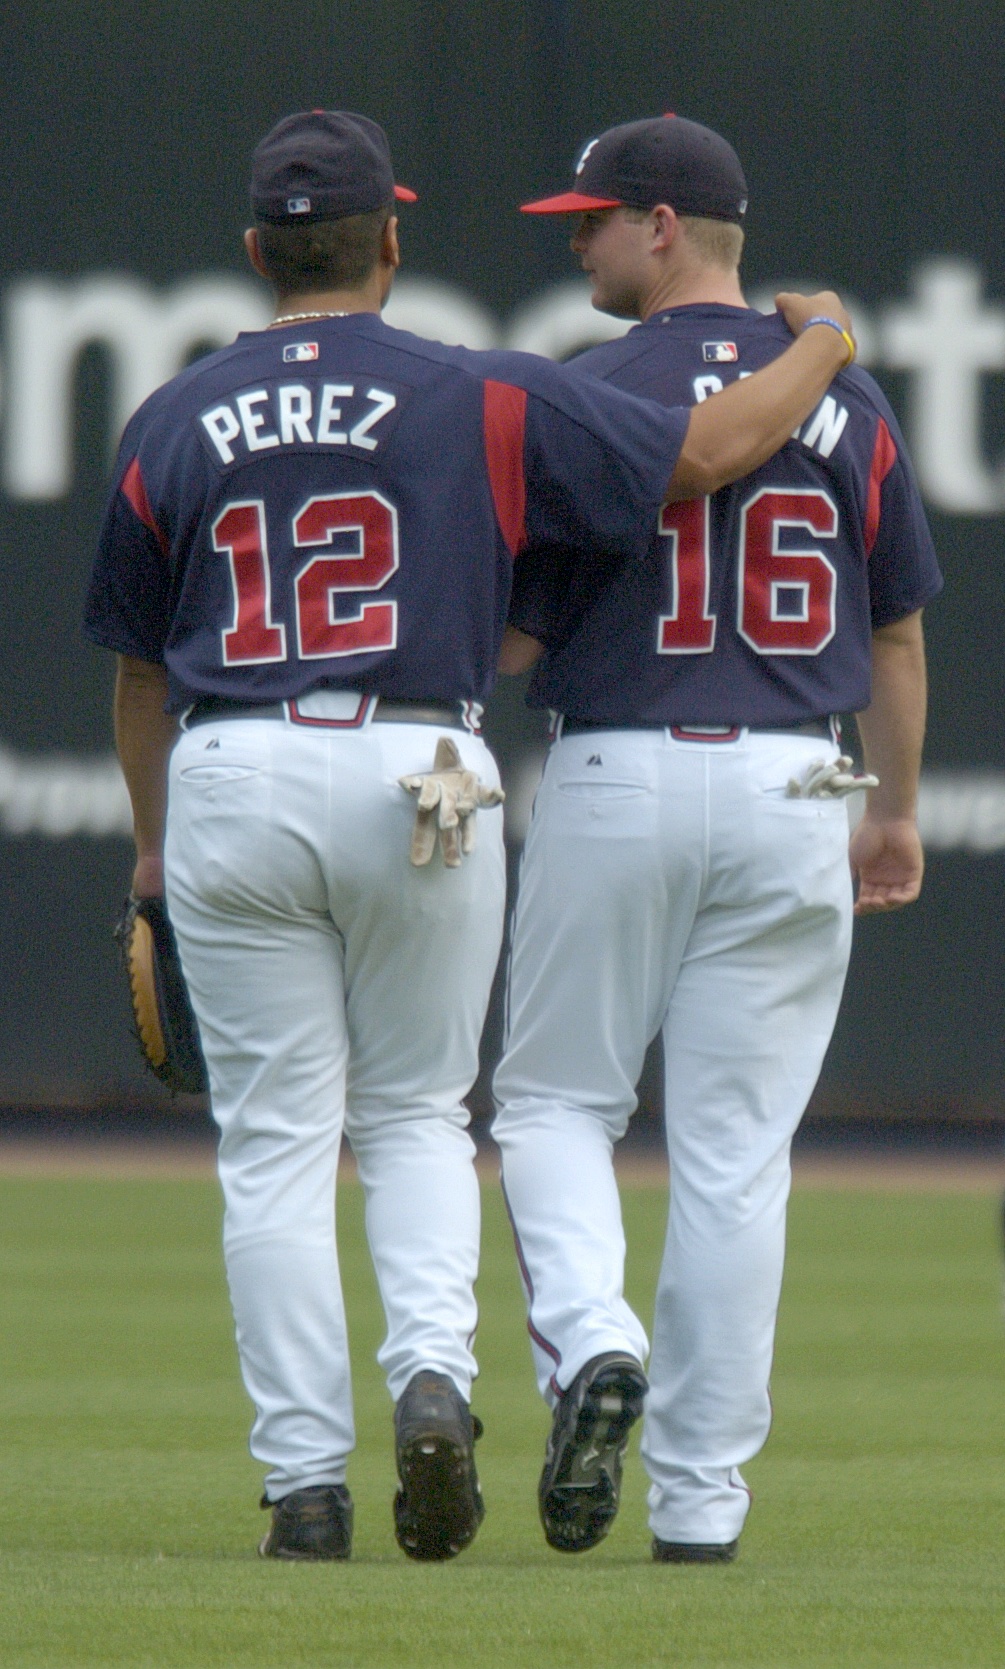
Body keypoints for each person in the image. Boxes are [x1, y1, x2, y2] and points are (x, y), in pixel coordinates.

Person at [83, 107, 857, 1564]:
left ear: (257, 252)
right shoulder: (486, 393)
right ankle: (433, 1373)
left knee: (271, 1148)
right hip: (419, 765)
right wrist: (818, 340)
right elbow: (703, 456)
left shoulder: (171, 417)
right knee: (420, 1116)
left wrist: (149, 852)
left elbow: (135, 666)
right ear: (391, 241)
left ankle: (306, 1486)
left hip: (231, 765)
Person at [493, 115, 942, 1564]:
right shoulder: (854, 403)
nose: (577, 241)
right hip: (796, 783)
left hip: (622, 764)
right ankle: (698, 1505)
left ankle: (595, 1337)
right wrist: (893, 805)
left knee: (554, 1106)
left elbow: (513, 636)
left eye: (593, 219)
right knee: (736, 1157)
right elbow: (893, 631)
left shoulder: (588, 388)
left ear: (664, 225)